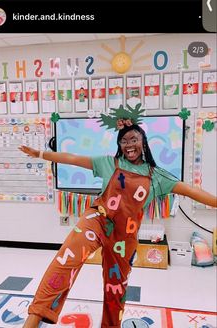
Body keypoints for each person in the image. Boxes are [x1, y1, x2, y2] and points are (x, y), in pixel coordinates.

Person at [19, 105, 217, 328]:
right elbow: (73, 158)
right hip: (97, 220)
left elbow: (192, 191)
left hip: (125, 237)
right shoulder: (109, 163)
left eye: (133, 139)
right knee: (66, 260)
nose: (129, 145)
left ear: (143, 142)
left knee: (116, 288)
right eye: (124, 141)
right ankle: (34, 319)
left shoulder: (157, 176)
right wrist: (41, 154)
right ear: (119, 146)